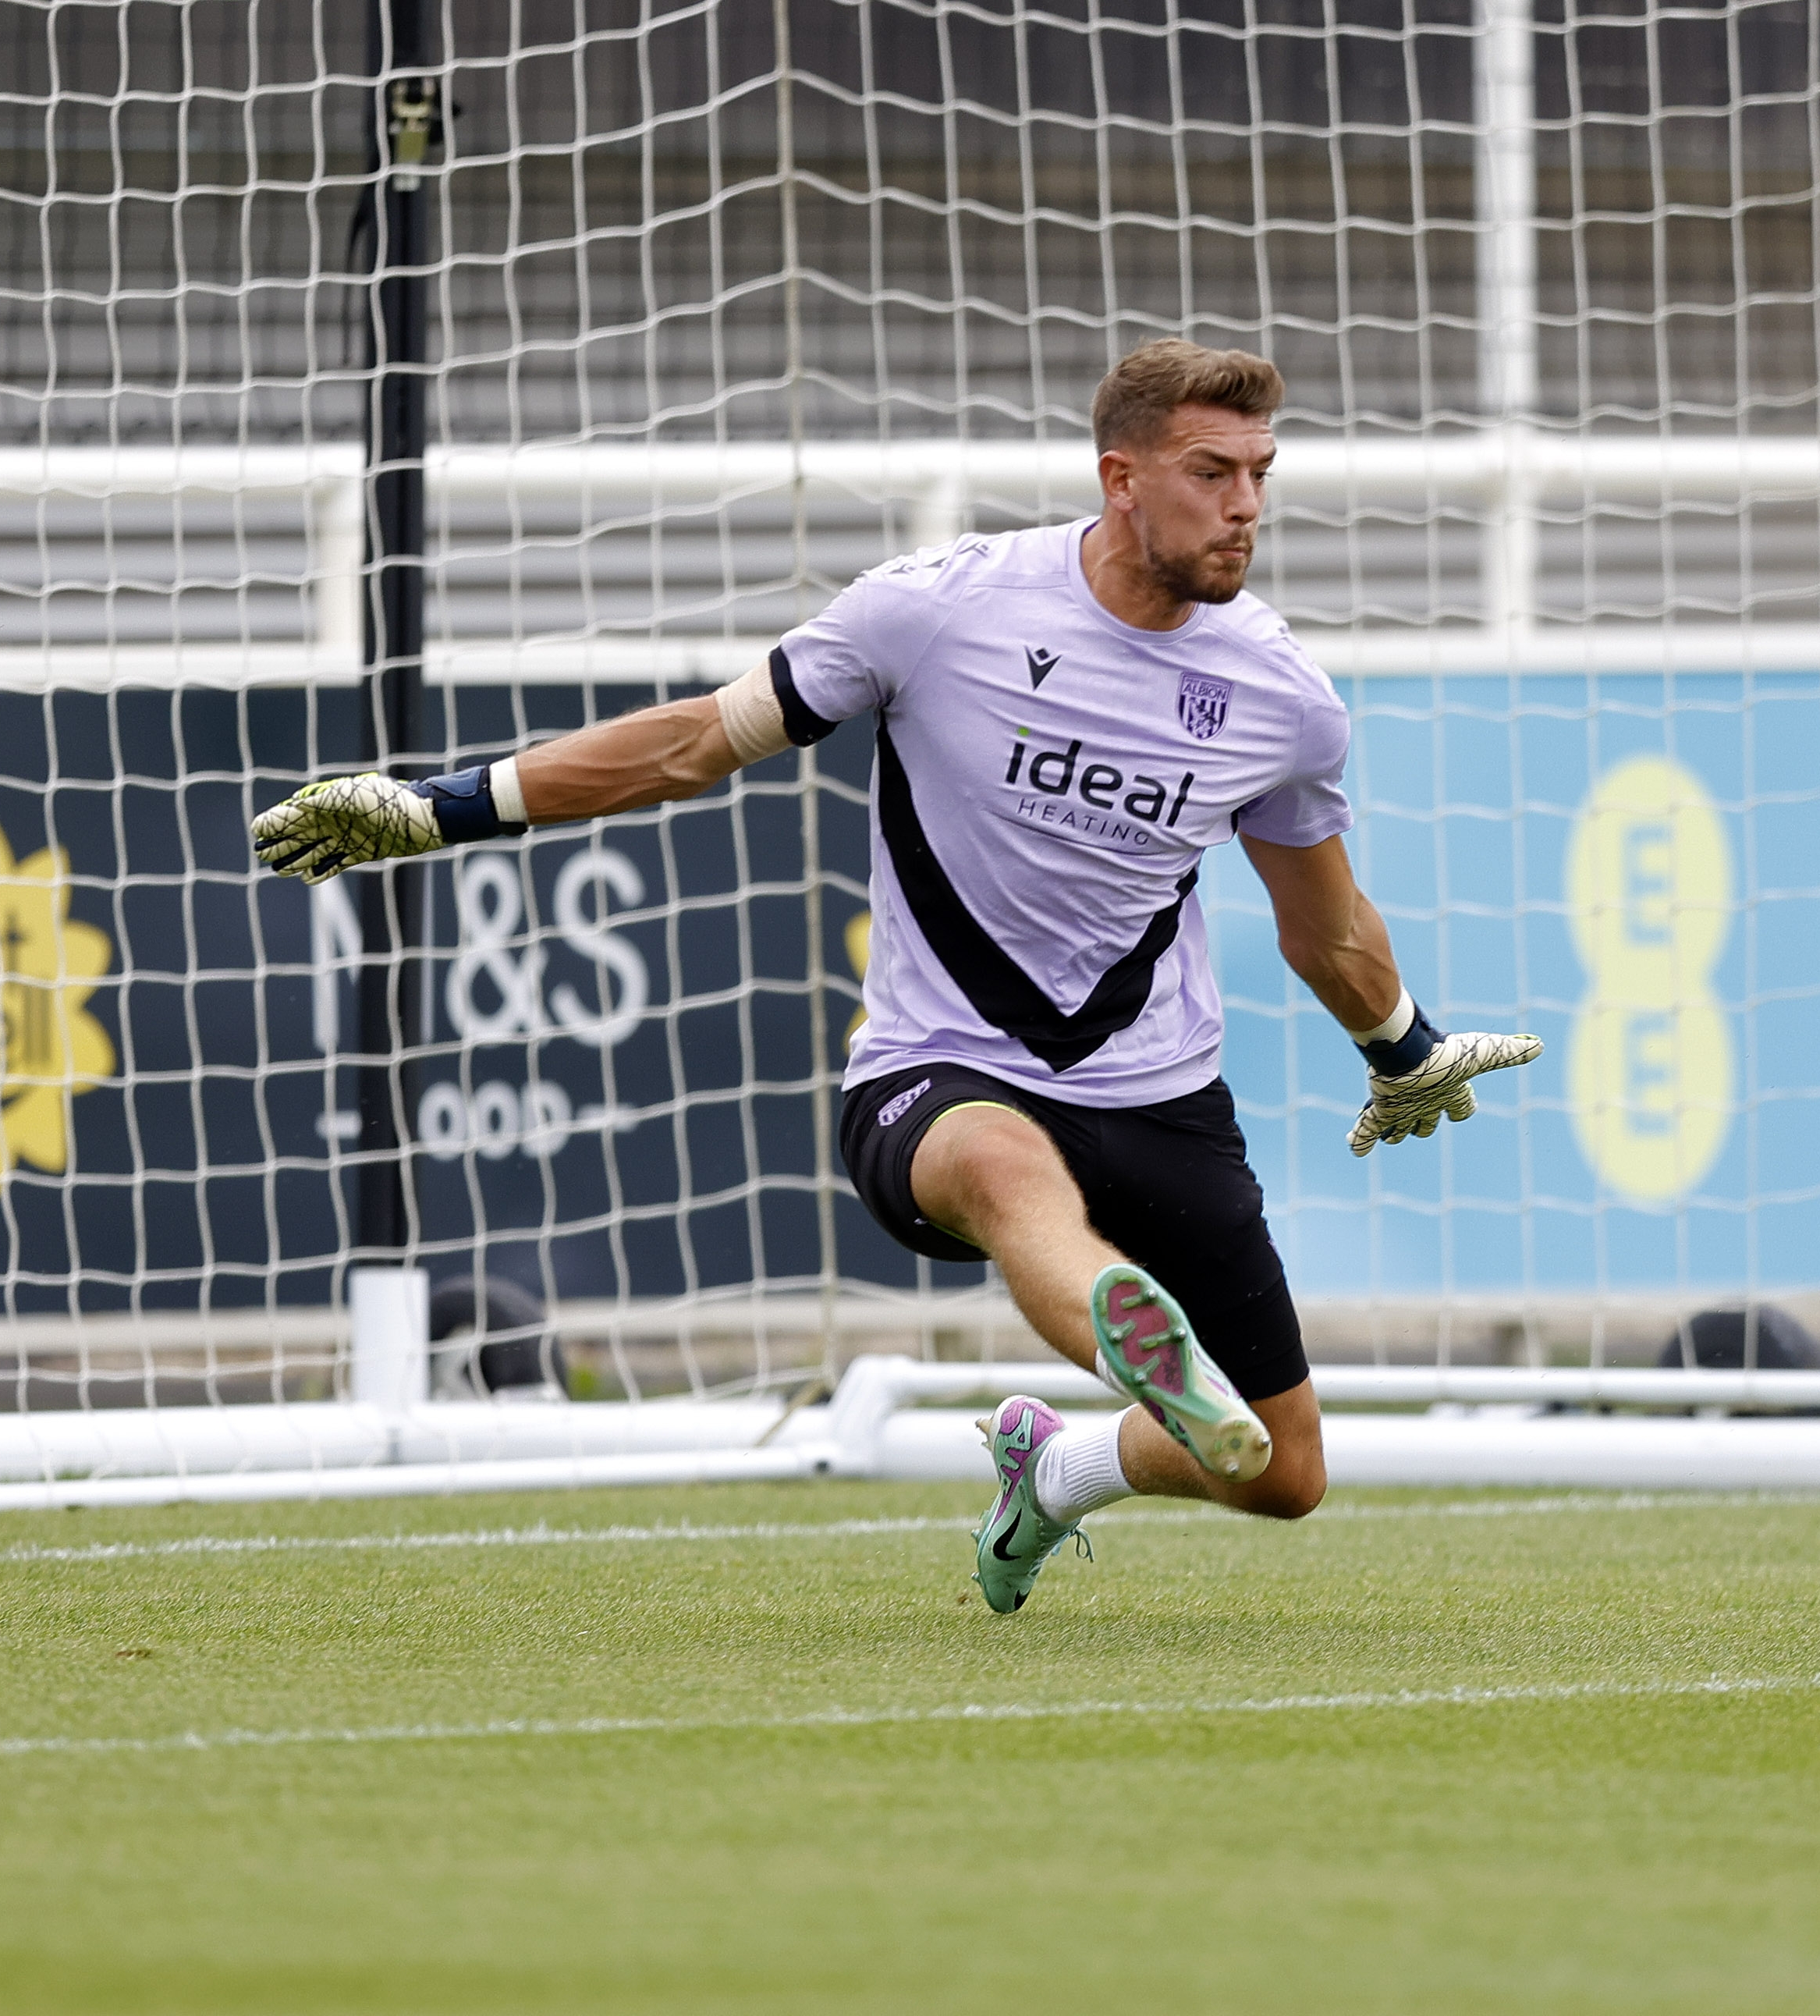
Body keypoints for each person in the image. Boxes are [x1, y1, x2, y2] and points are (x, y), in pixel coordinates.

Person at [252, 339, 1540, 1613]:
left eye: (1262, 472)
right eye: (1214, 471)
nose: (1248, 505)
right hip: (938, 1075)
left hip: (1161, 1099)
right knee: (1003, 1166)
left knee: (1285, 1474)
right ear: (1122, 478)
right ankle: (1129, 1340)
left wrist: (1405, 1048)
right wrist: (445, 809)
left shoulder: (1284, 699)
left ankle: (1062, 1464)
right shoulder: (939, 608)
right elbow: (697, 741)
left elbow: (1324, 927)